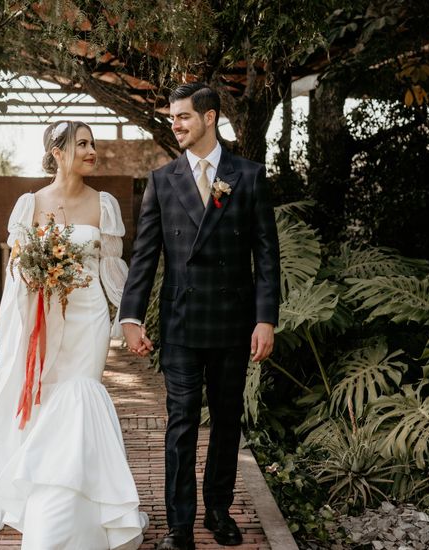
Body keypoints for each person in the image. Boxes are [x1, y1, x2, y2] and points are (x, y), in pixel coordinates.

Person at [119, 82, 280, 550]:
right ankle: (180, 526)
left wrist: (265, 319)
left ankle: (218, 510)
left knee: (227, 420)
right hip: (182, 322)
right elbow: (145, 255)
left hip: (233, 322)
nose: (176, 124)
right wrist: (132, 316)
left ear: (209, 118)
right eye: (173, 117)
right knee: (181, 421)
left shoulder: (247, 175)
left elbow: (266, 255)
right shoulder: (162, 179)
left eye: (184, 116)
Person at [0, 120, 147, 549]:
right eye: (83, 144)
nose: (93, 150)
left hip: (87, 316)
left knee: (79, 394)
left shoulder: (103, 204)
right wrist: (33, 295)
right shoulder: (28, 204)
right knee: (46, 403)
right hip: (43, 319)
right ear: (57, 151)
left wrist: (130, 317)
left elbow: (111, 270)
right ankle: (49, 504)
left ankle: (82, 511)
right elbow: (17, 270)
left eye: (94, 143)